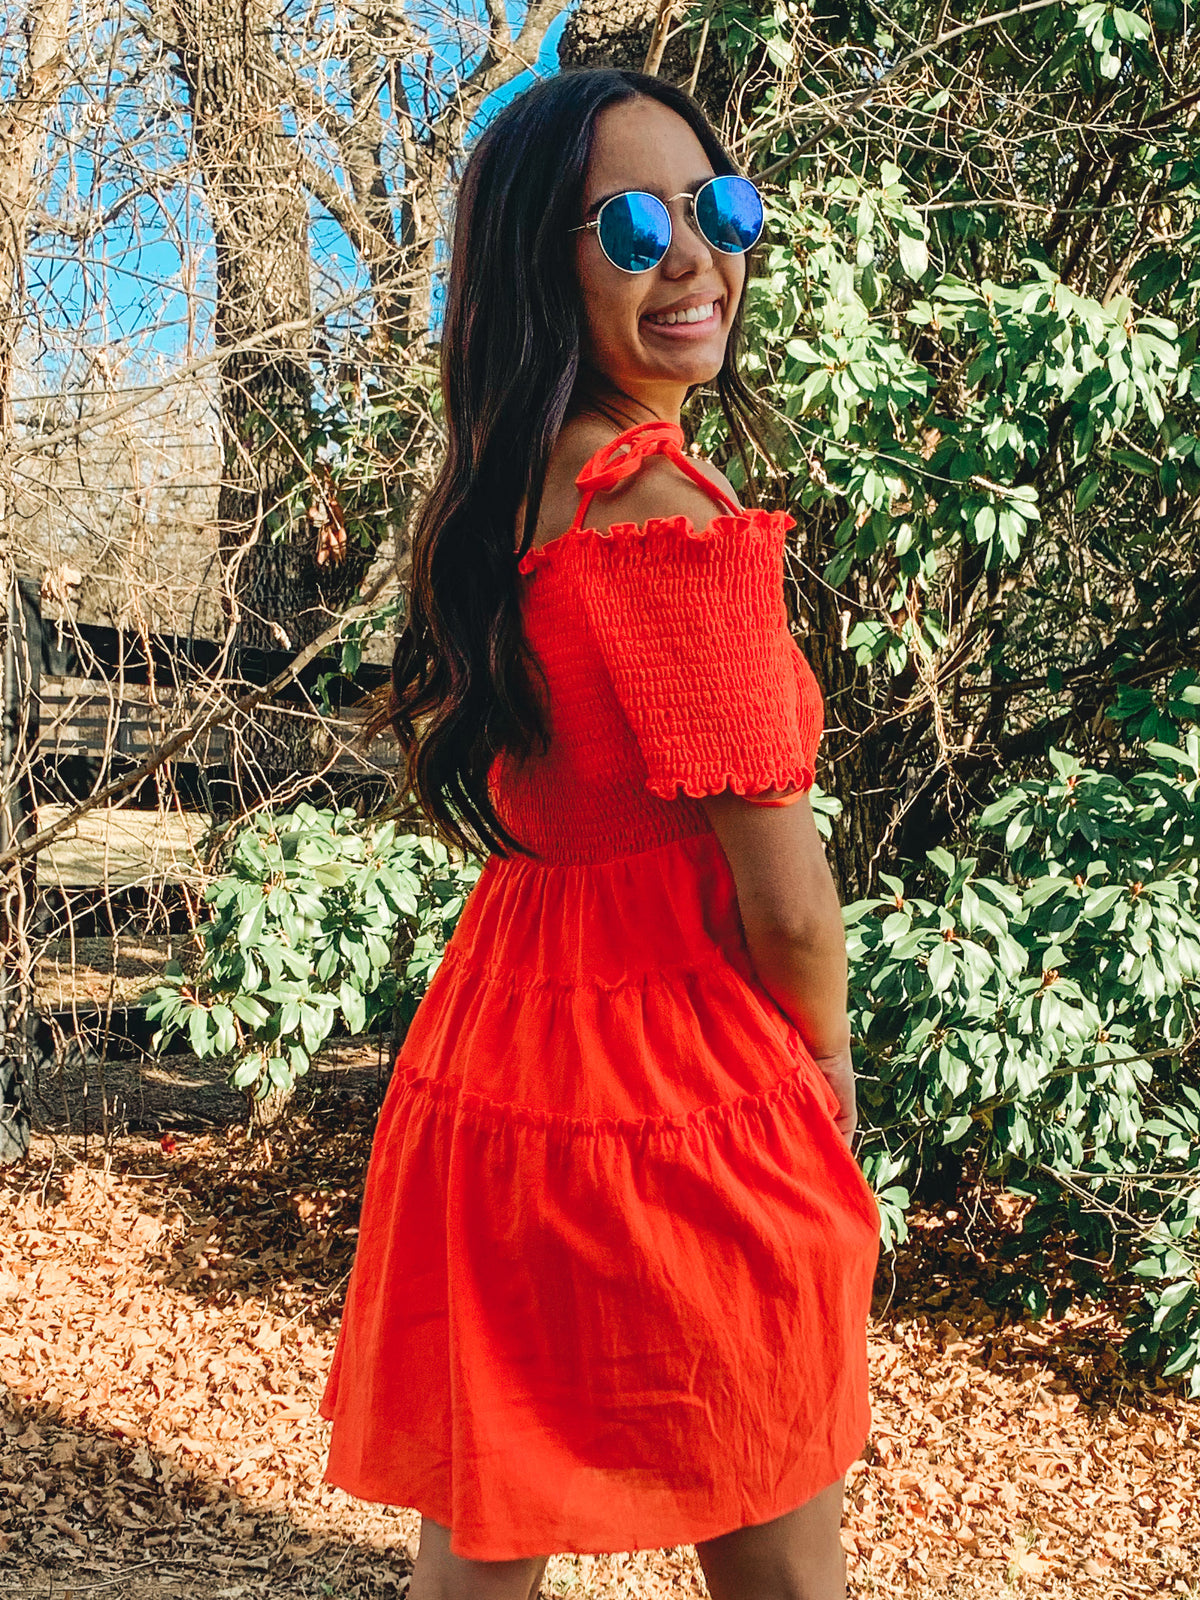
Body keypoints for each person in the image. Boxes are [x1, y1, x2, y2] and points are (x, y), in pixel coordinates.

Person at [319, 66, 880, 1600]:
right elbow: (790, 912)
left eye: (720, 208)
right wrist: (823, 1064)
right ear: (542, 263)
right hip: (672, 1082)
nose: (693, 255)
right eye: (630, 224)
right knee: (771, 1527)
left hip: (497, 1066)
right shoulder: (667, 521)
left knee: (483, 1544)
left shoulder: (519, 490)